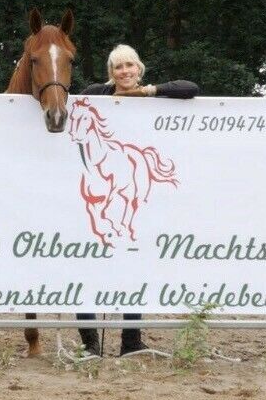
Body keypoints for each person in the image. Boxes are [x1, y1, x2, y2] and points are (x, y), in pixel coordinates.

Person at [77, 44, 199, 356]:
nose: (125, 71)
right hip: (98, 186)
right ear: (111, 73)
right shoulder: (96, 93)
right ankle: (89, 341)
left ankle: (131, 340)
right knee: (86, 267)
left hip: (133, 187)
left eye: (130, 65)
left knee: (134, 266)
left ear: (139, 69)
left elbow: (191, 88)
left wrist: (148, 92)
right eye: (119, 67)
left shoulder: (154, 96)